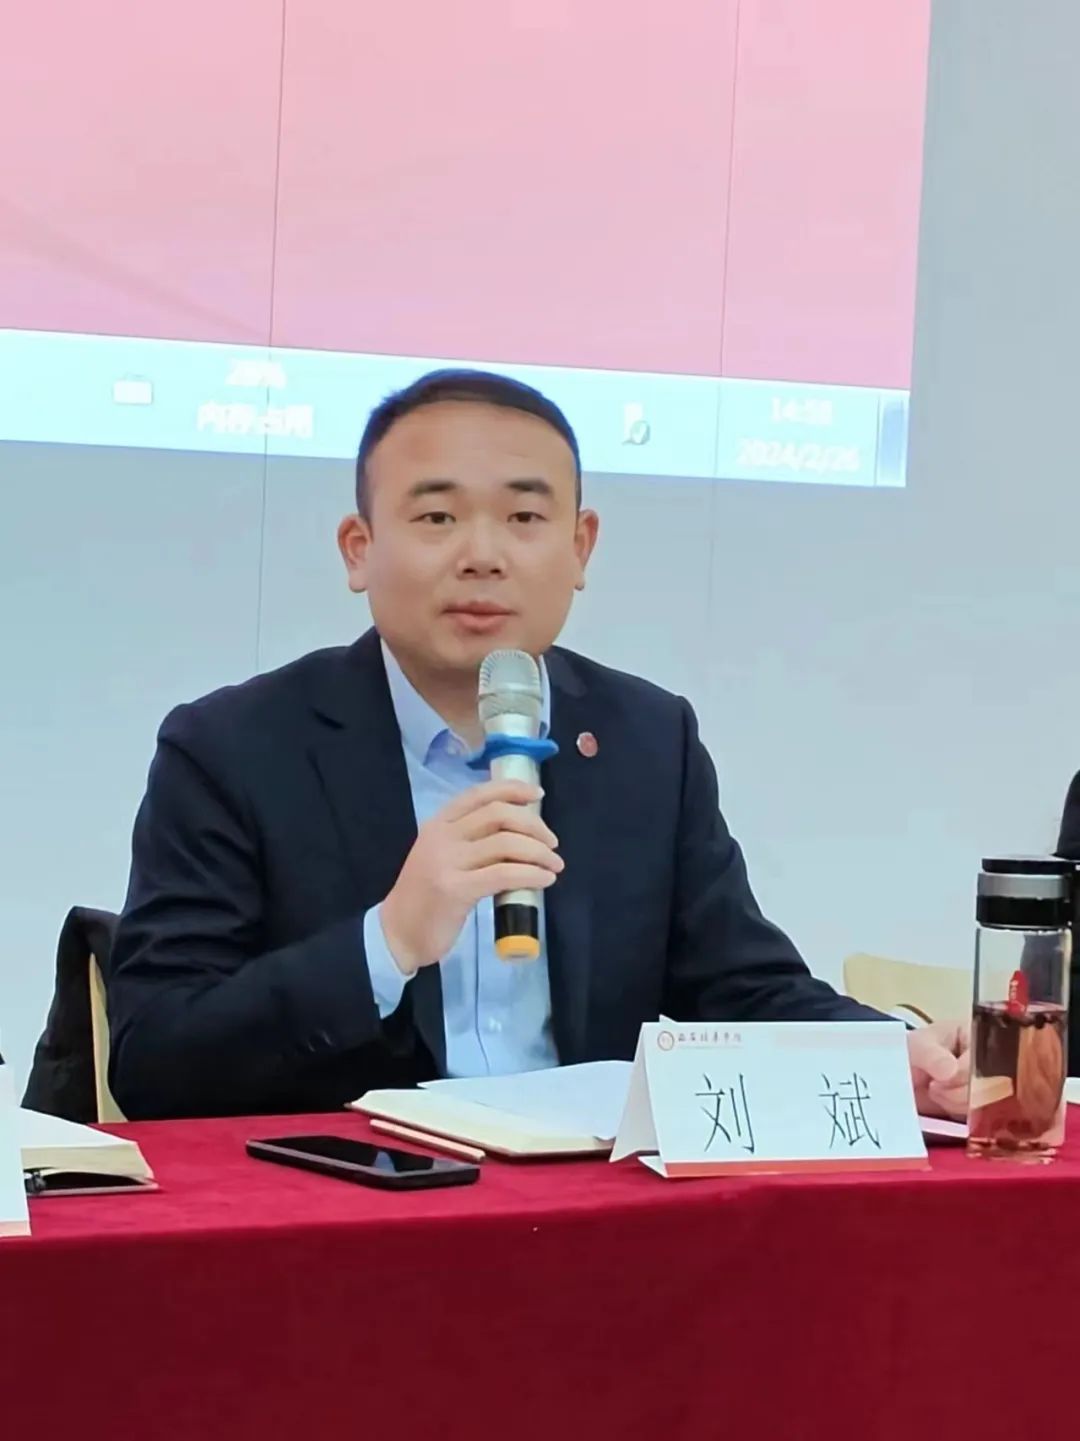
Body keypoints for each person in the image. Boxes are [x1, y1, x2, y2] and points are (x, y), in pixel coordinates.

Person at [107, 369, 969, 1120]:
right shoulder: (234, 748)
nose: (482, 555)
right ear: (359, 549)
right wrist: (388, 940)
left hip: (590, 1207)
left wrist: (892, 1055)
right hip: (352, 1212)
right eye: (437, 516)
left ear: (580, 547)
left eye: (524, 516)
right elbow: (154, 1058)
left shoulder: (647, 740)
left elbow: (743, 985)